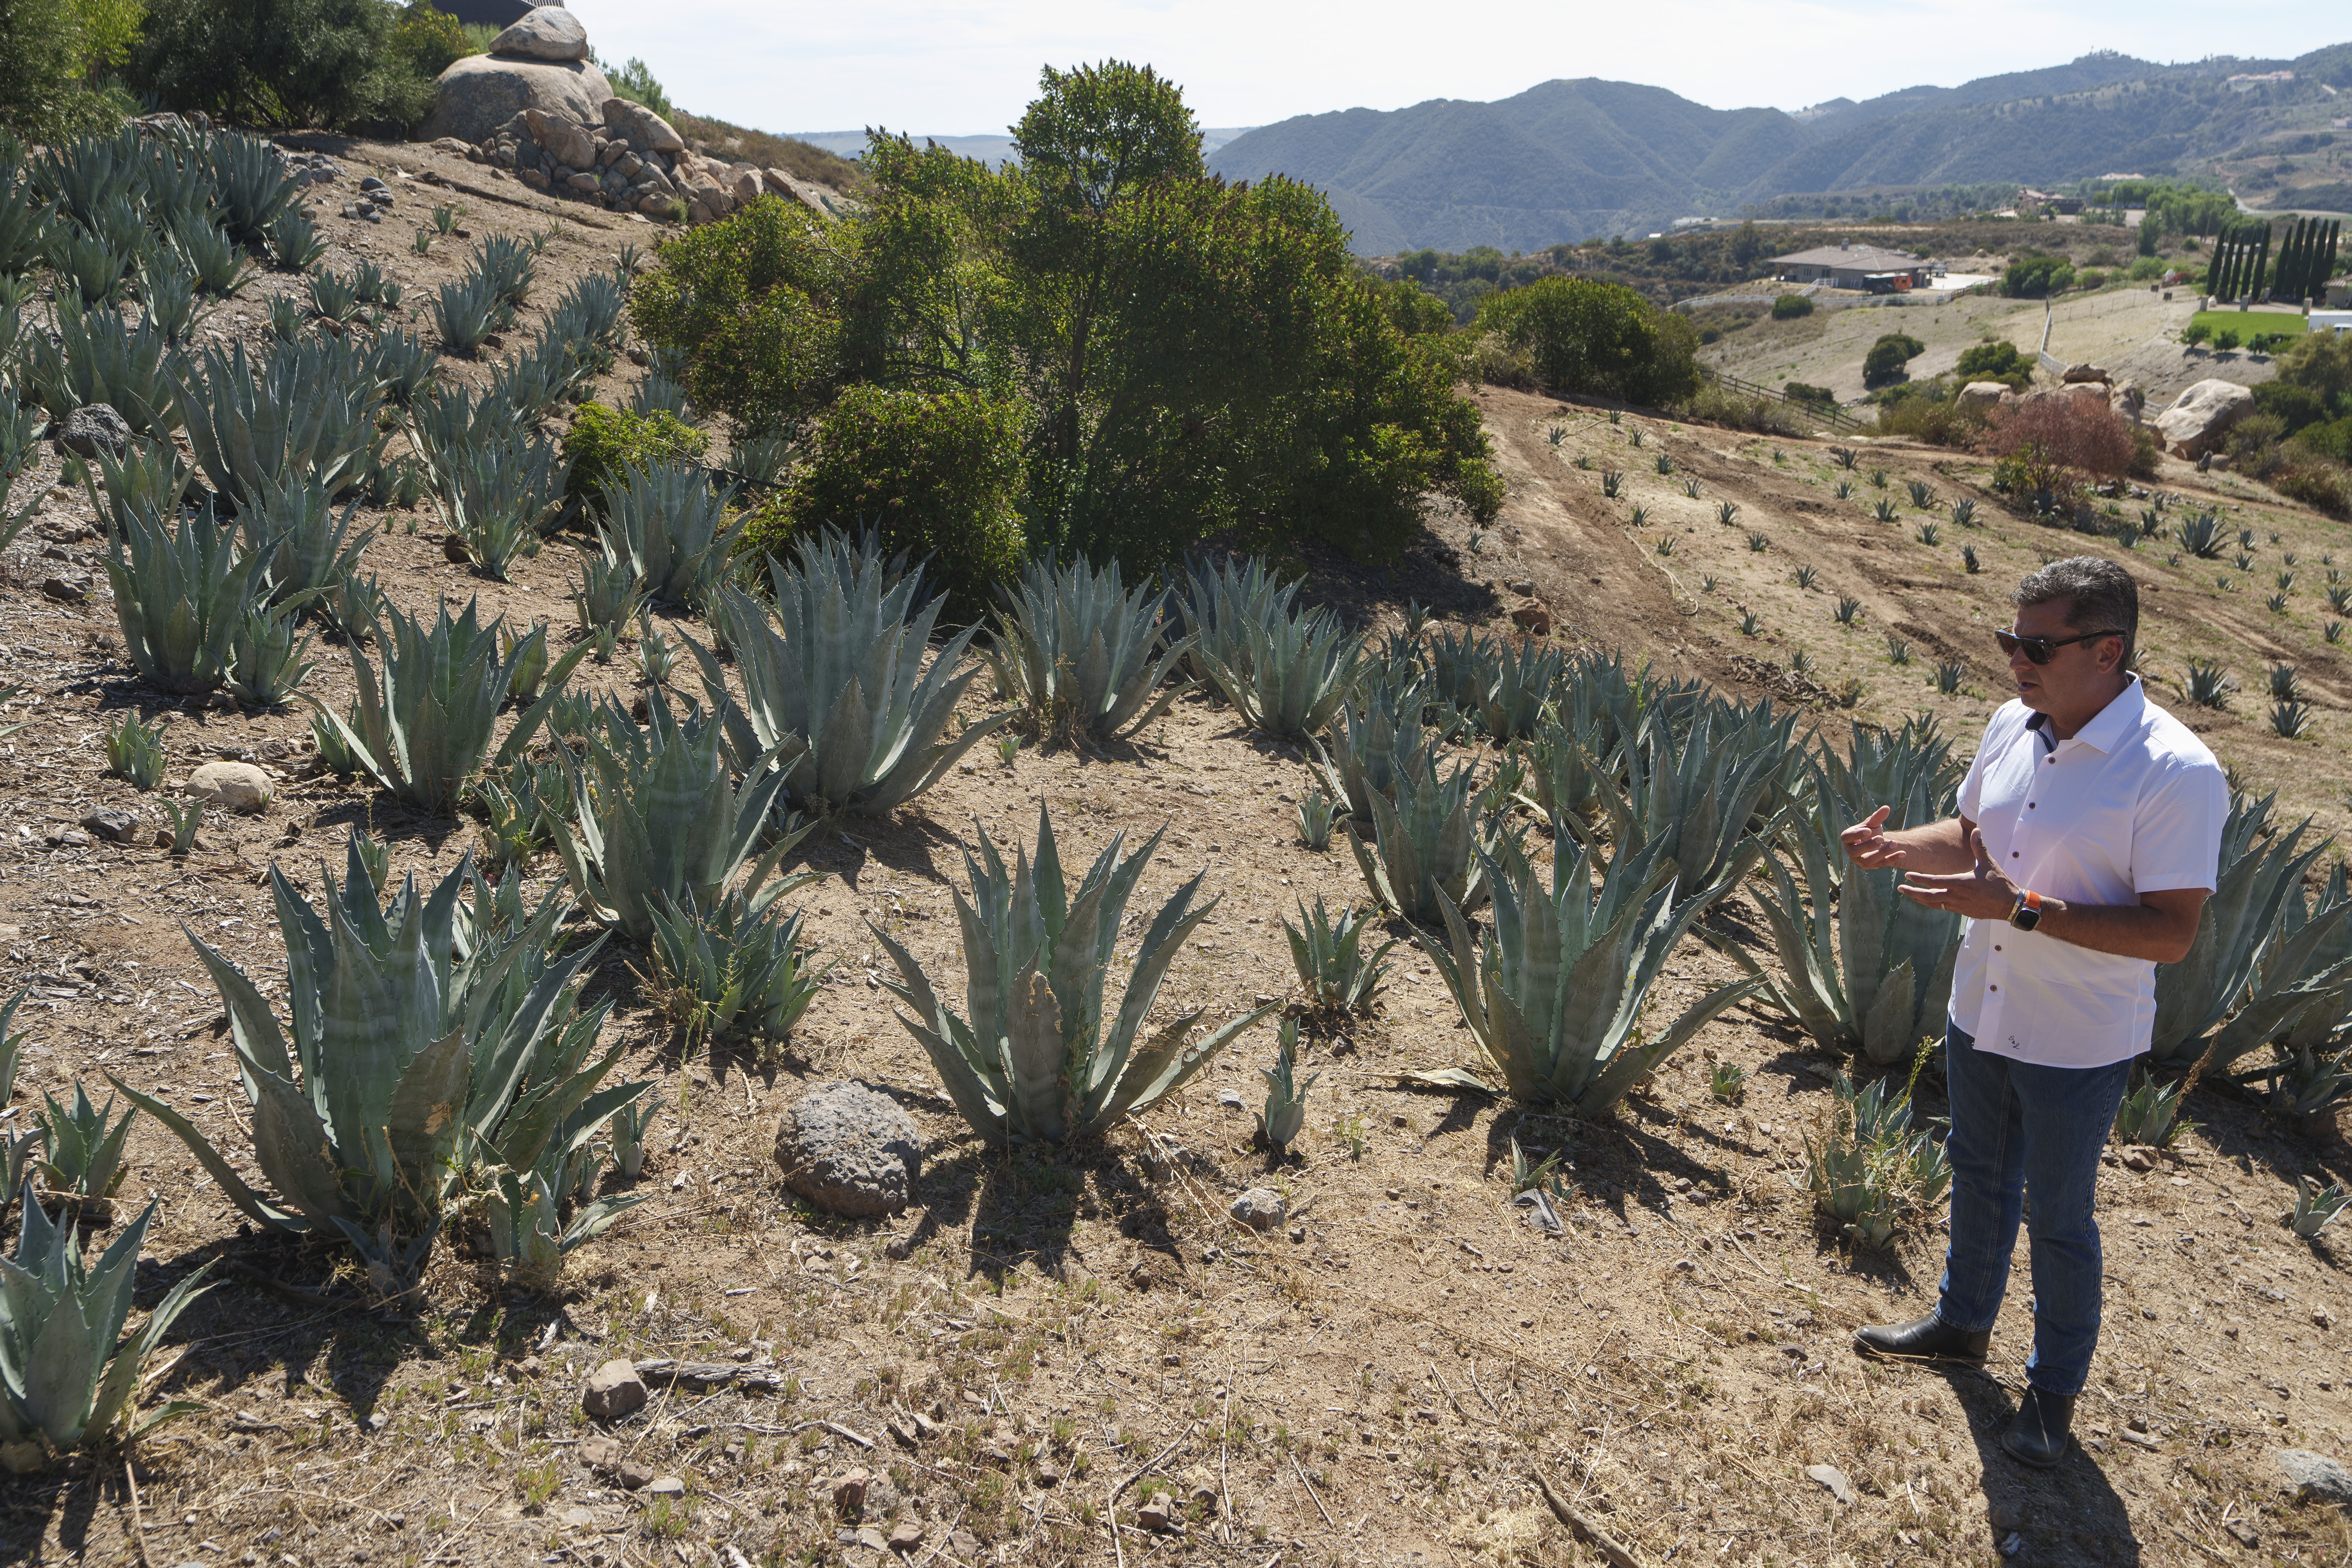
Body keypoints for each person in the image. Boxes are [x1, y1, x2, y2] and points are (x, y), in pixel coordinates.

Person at [1842, 556, 2227, 1468]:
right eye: (2009, 638)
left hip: (2079, 1035)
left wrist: (2019, 909)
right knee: (1976, 1171)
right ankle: (1961, 1323)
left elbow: (2171, 934)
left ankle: (2053, 1394)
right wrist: (1899, 844)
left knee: (2058, 1213)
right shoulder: (2015, 724)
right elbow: (1976, 837)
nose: (2015, 657)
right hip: (1985, 1003)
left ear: (2107, 649)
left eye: (2035, 644)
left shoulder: (2175, 770)